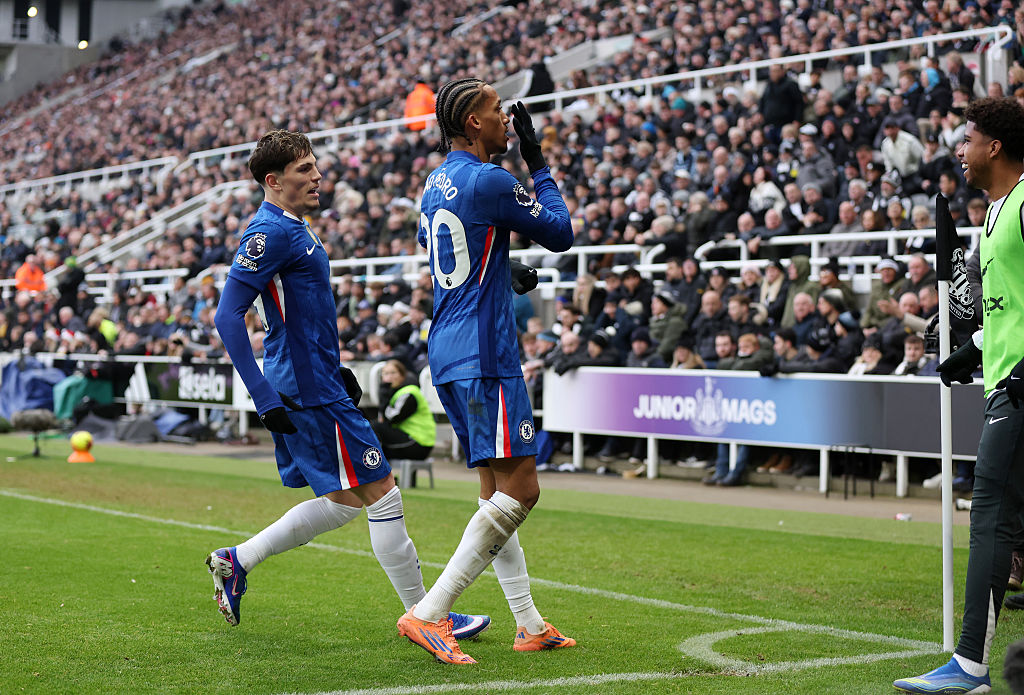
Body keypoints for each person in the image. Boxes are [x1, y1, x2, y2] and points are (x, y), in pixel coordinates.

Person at [206, 130, 489, 642]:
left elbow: (299, 314)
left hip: (317, 380)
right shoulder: (269, 234)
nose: (317, 176)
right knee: (382, 494)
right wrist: (263, 395)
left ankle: (237, 559)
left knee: (342, 501)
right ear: (273, 181)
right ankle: (429, 617)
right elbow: (228, 317)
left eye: (315, 166)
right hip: (305, 389)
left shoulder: (296, 227)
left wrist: (333, 367)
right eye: (304, 170)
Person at [397, 79, 576, 665]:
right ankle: (429, 614)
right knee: (523, 487)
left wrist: (504, 267)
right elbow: (561, 233)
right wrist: (539, 162)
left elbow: (457, 253)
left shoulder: (434, 183)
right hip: (486, 354)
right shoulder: (490, 178)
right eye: (498, 111)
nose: (506, 119)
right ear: (474, 122)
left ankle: (528, 622)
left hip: (447, 349)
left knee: (494, 492)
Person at [895, 96, 1024, 694]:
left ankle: (969, 664)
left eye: (966, 139)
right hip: (1004, 379)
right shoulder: (994, 214)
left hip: (1020, 389)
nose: (958, 150)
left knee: (991, 514)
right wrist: (971, 350)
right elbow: (1007, 309)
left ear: (994, 146)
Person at [373, 359, 435, 461]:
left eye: (393, 372)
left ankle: (381, 476)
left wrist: (384, 393)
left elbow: (391, 418)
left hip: (418, 443)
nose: (389, 377)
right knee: (377, 453)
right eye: (386, 373)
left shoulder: (409, 392)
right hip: (409, 440)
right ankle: (386, 476)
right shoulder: (394, 392)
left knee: (375, 428)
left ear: (402, 375)